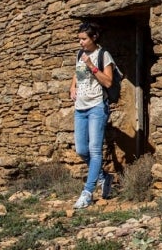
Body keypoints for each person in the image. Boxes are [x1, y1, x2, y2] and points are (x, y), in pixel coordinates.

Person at [69, 21, 115, 209]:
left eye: (83, 39)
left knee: (95, 150)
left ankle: (87, 193)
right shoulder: (80, 54)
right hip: (80, 108)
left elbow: (109, 82)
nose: (80, 42)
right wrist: (72, 87)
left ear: (94, 38)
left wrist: (92, 66)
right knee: (81, 150)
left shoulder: (103, 55)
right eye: (79, 39)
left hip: (97, 107)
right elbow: (77, 74)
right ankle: (104, 177)